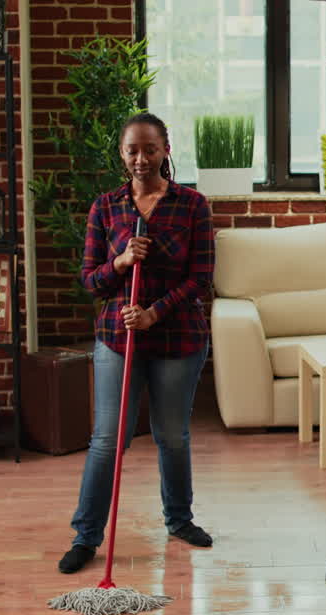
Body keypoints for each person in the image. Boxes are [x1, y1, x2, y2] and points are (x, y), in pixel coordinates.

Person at [58, 112, 216, 574]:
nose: (141, 158)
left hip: (178, 337)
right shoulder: (105, 208)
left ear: (166, 149)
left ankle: (180, 520)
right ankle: (86, 536)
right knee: (109, 438)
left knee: (171, 434)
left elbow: (201, 279)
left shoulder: (192, 205)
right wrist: (122, 261)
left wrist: (154, 312)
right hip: (117, 338)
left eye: (150, 148)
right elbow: (90, 283)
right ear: (121, 155)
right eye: (132, 150)